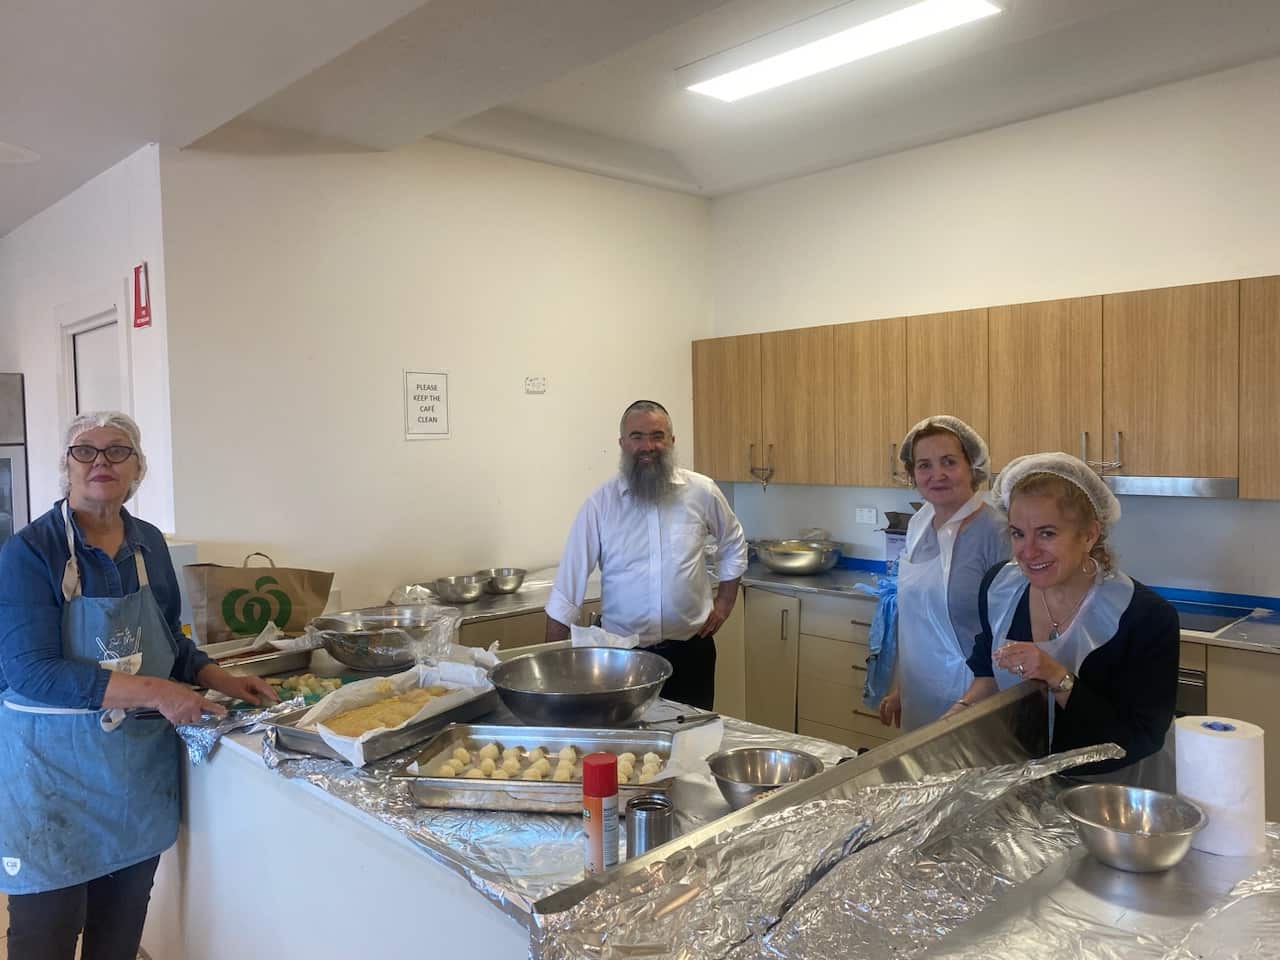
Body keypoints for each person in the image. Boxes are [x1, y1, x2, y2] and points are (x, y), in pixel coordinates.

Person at [0, 412, 278, 960]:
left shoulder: (148, 542)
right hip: (52, 777)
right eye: (85, 451)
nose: (101, 461)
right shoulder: (31, 551)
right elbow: (31, 672)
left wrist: (215, 675)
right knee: (44, 938)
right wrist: (156, 692)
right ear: (66, 466)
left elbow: (170, 638)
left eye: (117, 450)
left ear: (137, 467)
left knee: (119, 934)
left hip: (131, 779)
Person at [951, 452, 1179, 790]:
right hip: (1025, 782)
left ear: (1089, 535)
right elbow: (987, 671)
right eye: (1017, 534)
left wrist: (1057, 676)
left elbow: (1140, 737)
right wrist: (958, 715)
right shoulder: (999, 588)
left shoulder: (1144, 616)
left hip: (1113, 792)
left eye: (1046, 534)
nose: (1027, 552)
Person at [546, 400, 748, 710]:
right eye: (637, 436)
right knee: (629, 748)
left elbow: (733, 541)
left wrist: (725, 603)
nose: (648, 446)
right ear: (622, 443)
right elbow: (566, 592)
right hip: (624, 660)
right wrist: (554, 675)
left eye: (657, 435)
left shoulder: (702, 492)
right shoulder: (601, 505)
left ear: (672, 440)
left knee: (692, 744)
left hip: (691, 655)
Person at [879, 415, 1009, 732]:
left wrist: (969, 703)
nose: (937, 474)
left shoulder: (997, 532)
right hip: (920, 695)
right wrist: (902, 687)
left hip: (973, 699)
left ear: (971, 467)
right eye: (924, 465)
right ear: (913, 475)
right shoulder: (918, 525)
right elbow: (915, 620)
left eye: (949, 462)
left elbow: (1008, 633)